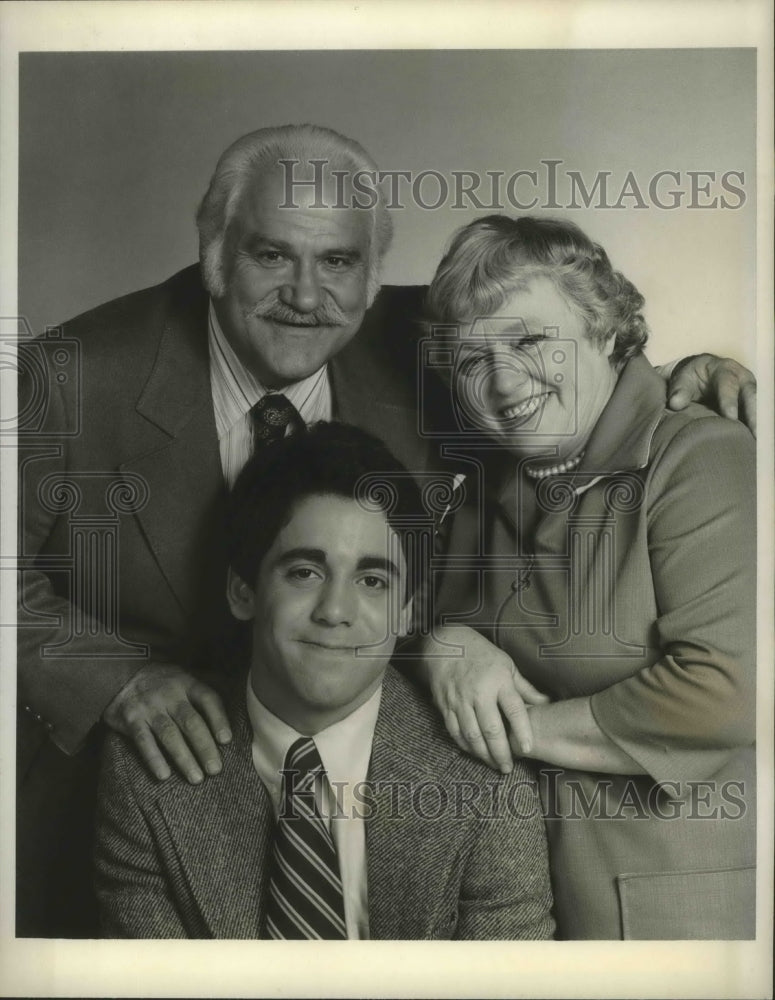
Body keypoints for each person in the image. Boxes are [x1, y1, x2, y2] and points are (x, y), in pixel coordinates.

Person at [16, 123, 756, 936]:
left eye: (337, 261)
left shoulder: (427, 347)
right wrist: (117, 682)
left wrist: (695, 373)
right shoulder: (73, 377)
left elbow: (567, 354)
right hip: (137, 791)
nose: (306, 293)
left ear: (372, 281)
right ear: (214, 256)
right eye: (270, 255)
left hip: (373, 798)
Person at [415, 214, 756, 939]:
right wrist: (445, 642)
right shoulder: (482, 488)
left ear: (605, 330)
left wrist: (519, 731)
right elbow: (425, 635)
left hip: (672, 903)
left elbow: (728, 692)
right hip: (519, 906)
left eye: (530, 340)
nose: (503, 384)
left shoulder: (700, 457)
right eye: (471, 362)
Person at [94, 422, 554, 940]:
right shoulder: (144, 771)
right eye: (304, 572)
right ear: (243, 591)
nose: (335, 611)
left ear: (408, 613)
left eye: (372, 581)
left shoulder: (484, 780)